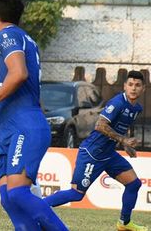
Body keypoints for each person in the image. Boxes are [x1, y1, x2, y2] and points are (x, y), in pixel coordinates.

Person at [0, 0, 68, 231]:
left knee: (17, 193)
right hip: (10, 127)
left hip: (24, 124)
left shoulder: (7, 35)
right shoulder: (23, 37)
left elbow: (19, 73)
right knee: (8, 197)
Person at [44, 71, 147, 231]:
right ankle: (36, 209)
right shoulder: (118, 103)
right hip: (92, 153)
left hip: (108, 154)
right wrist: (123, 140)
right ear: (125, 86)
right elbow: (100, 125)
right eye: (131, 84)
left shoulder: (136, 108)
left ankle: (124, 223)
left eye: (137, 85)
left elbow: (119, 127)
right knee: (76, 194)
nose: (133, 88)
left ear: (143, 89)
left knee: (134, 184)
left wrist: (126, 145)